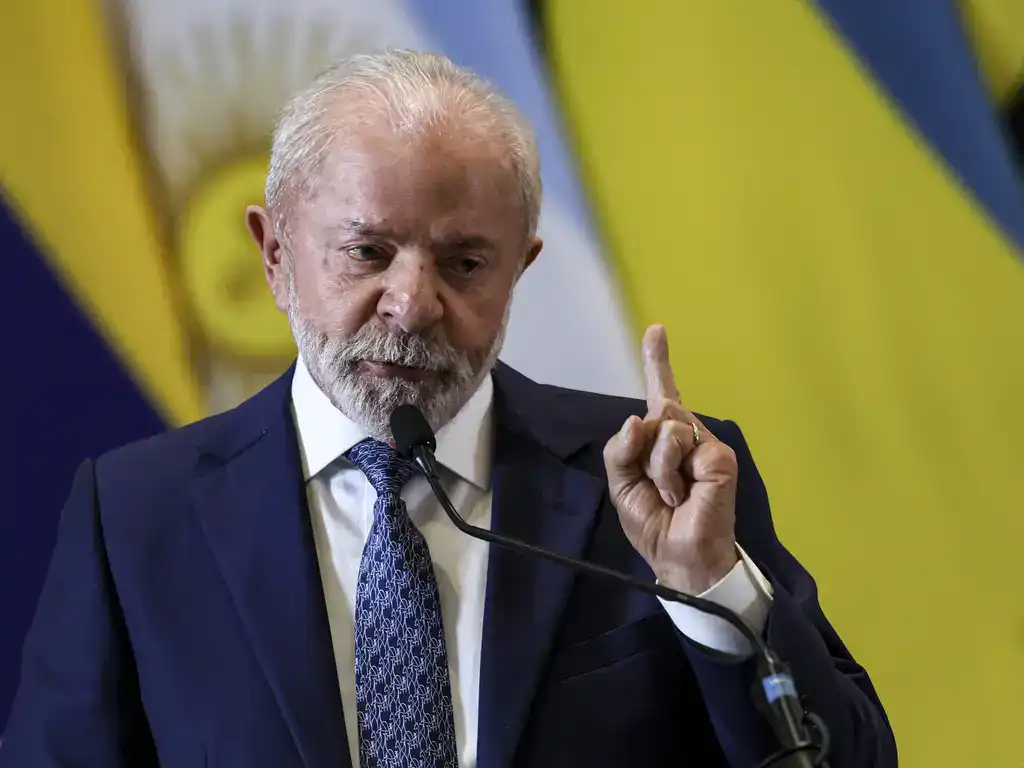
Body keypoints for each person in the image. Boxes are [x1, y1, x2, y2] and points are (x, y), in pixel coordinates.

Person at [4, 50, 896, 767]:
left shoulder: (657, 486)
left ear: (520, 269)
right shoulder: (135, 516)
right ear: (274, 253)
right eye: (367, 252)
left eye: (464, 263)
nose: (412, 304)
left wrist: (707, 585)